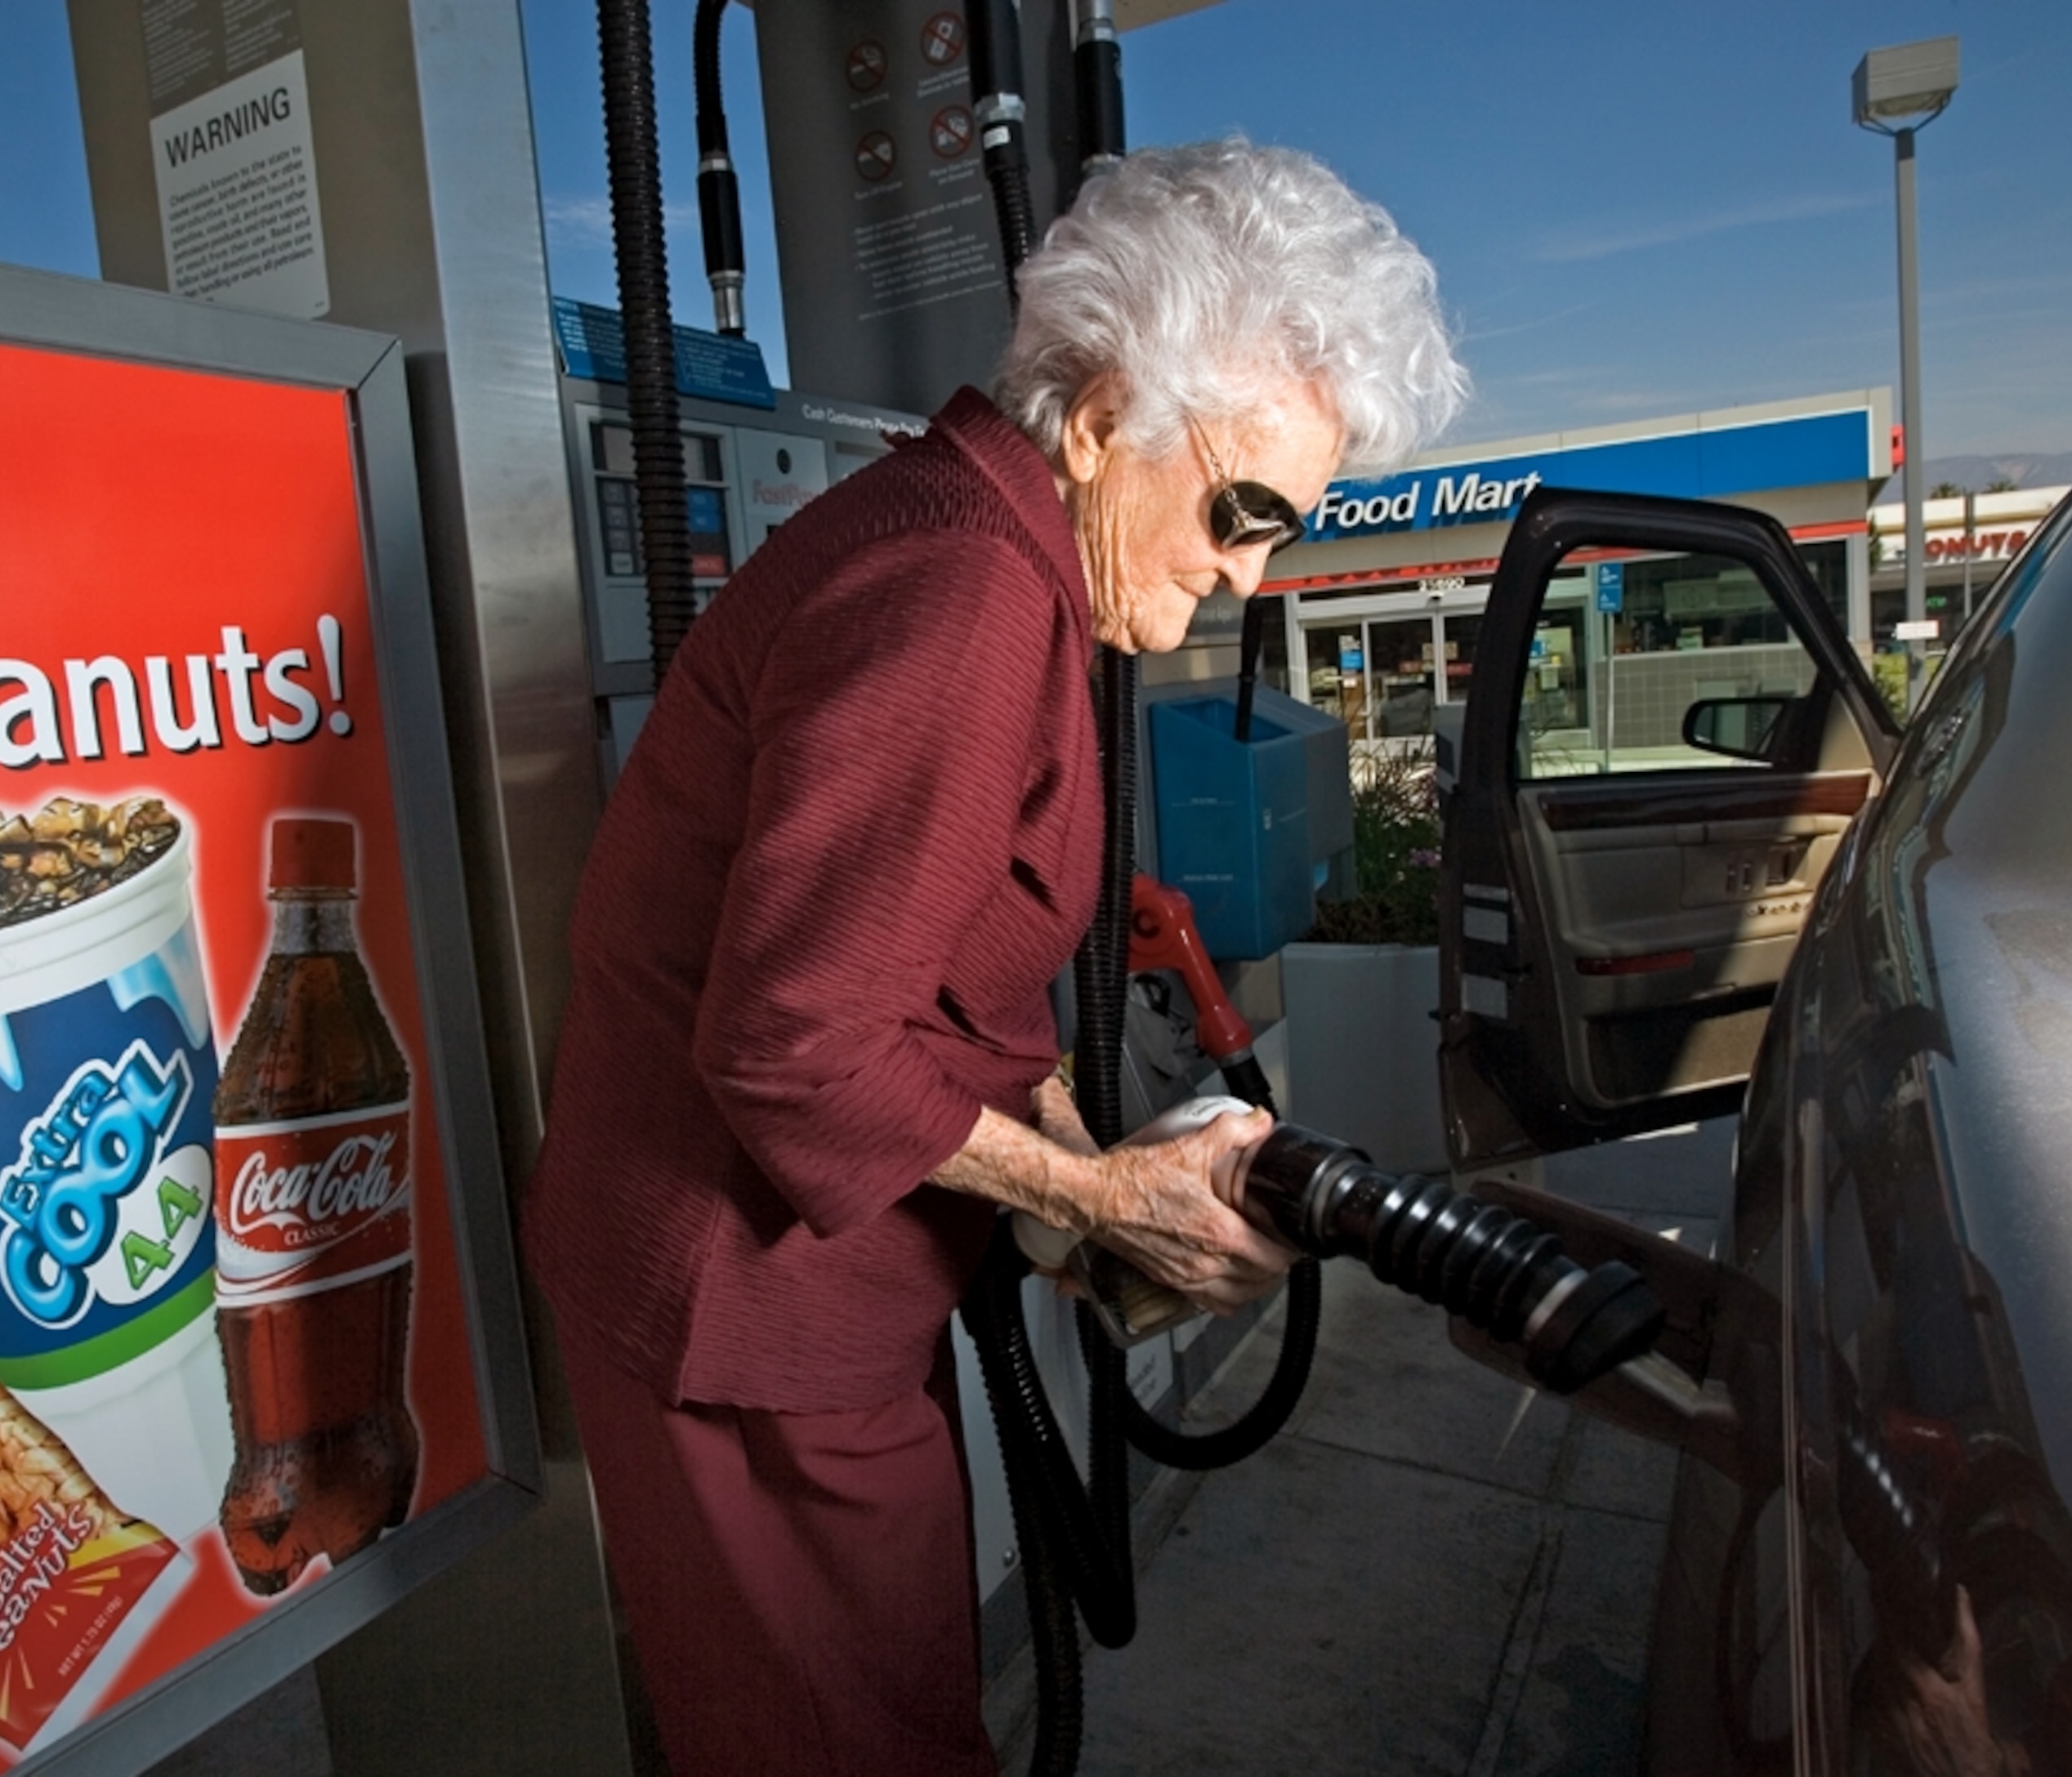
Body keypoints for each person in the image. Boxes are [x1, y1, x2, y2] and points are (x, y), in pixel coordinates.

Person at [523, 138, 1467, 1775]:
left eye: (1284, 533)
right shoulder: (959, 589)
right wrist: (1097, 1201)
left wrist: (1083, 1184)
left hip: (815, 1292)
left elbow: (945, 970)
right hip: (743, 1310)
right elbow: (795, 1042)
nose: (1252, 572)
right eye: (1243, 512)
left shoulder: (1002, 566)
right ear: (1102, 416)